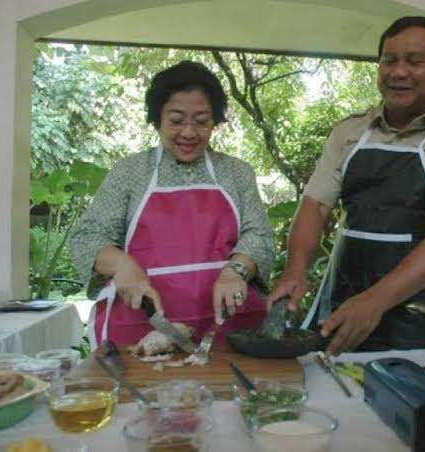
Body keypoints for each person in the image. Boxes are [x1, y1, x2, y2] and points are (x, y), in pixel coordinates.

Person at [268, 16, 425, 355]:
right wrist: (295, 270)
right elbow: (315, 204)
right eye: (389, 60)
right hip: (341, 302)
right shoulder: (348, 133)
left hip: (423, 316)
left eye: (414, 61)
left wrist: (374, 302)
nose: (398, 72)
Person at [70, 60, 275, 346]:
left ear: (214, 122)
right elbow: (88, 236)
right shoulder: (130, 173)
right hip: (141, 328)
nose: (189, 133)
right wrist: (122, 265)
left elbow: (260, 236)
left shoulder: (237, 173)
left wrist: (236, 270)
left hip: (229, 328)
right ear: (157, 120)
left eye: (201, 122)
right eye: (176, 121)